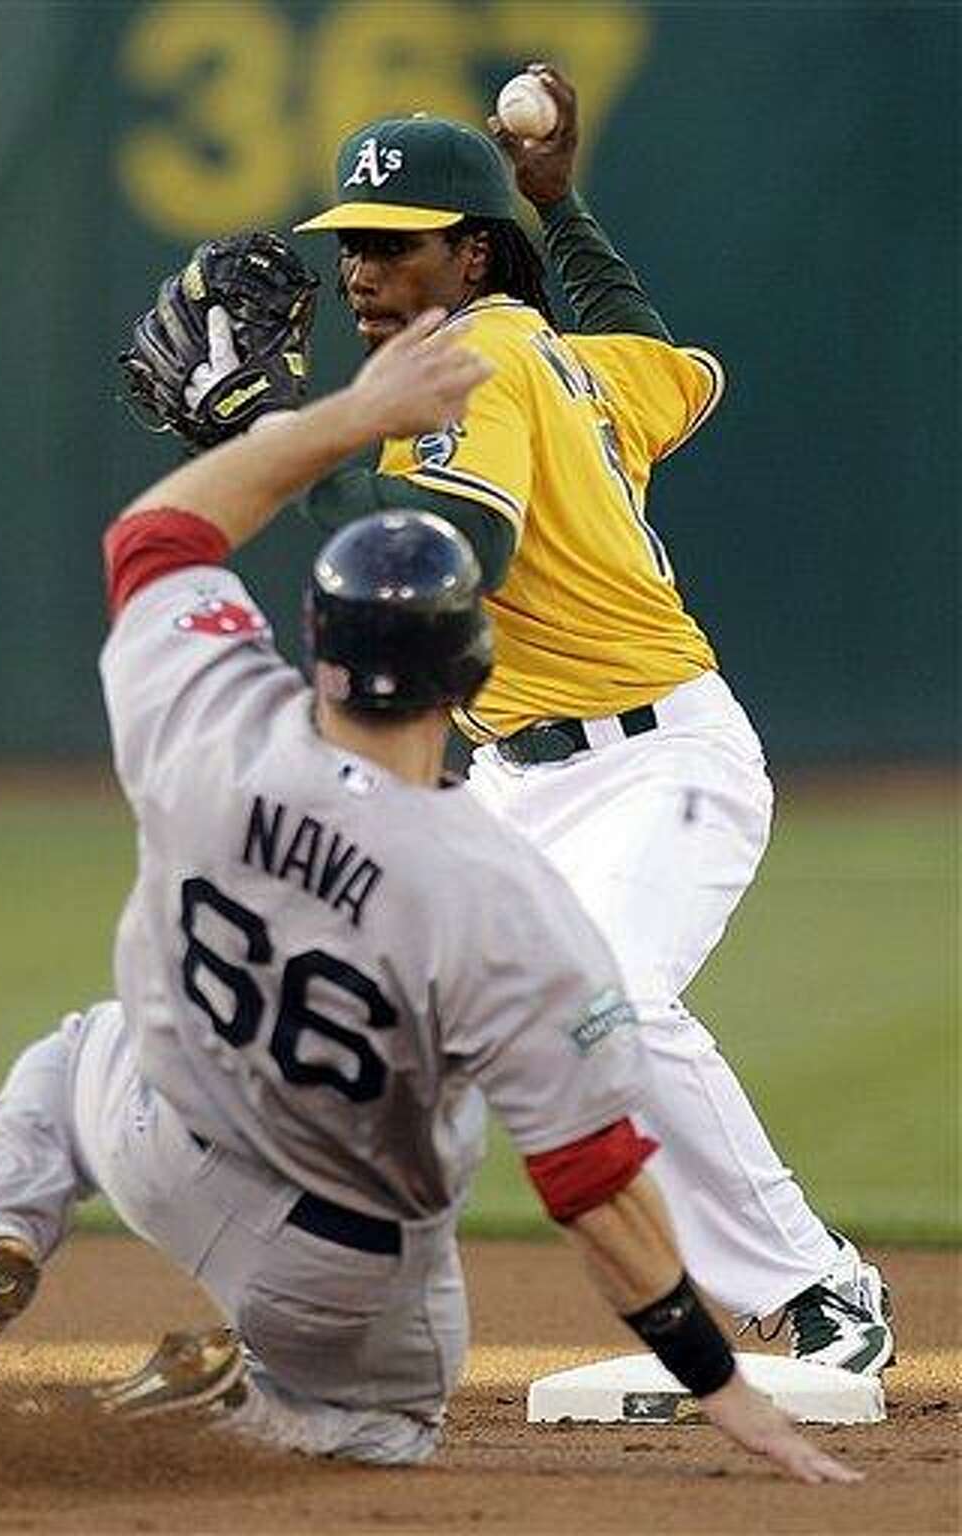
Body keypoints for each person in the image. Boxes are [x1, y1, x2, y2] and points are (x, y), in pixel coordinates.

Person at [0, 313, 856, 1484]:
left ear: (310, 637)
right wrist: (716, 1384)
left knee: (62, 1070)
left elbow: (158, 538)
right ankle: (241, 1409)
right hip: (335, 1272)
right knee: (383, 1420)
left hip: (153, 1137)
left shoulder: (212, 713)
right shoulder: (504, 897)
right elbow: (590, 1184)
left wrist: (348, 418)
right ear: (475, 674)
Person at [287, 65, 893, 1372]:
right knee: (378, 1019)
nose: (361, 274)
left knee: (609, 1005)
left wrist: (260, 441)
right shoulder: (562, 360)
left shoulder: (472, 368)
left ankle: (820, 1294)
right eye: (352, 247)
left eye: (394, 247)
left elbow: (447, 557)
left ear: (472, 253)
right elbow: (663, 356)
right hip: (516, 784)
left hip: (653, 761)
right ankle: (324, 1316)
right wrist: (568, 210)